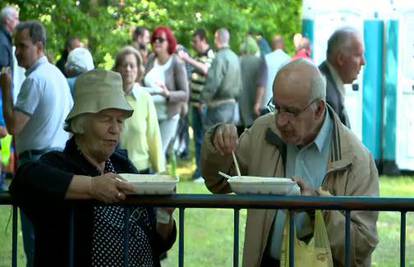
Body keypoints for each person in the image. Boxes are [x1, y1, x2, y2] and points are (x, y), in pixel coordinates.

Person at [201, 59, 379, 267]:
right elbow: (217, 182)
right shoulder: (263, 131)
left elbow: (361, 247)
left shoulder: (356, 159)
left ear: (319, 109)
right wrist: (218, 144)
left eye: (291, 112)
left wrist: (319, 209)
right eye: (277, 108)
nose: (281, 121)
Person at [10, 69, 177, 267]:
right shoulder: (59, 164)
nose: (115, 129)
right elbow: (24, 179)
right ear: (80, 124)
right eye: (106, 118)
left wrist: (165, 215)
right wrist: (92, 186)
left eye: (120, 120)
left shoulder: (124, 166)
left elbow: (158, 244)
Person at [0, 21, 73, 267]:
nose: (17, 52)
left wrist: (7, 89)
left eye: (23, 46)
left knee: (36, 241)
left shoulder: (35, 80)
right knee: (53, 239)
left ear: (39, 46)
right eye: (15, 47)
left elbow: (13, 126)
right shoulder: (57, 75)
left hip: (37, 165)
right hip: (58, 163)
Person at [114, 46, 165, 174]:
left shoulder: (145, 98)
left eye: (132, 65)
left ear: (138, 70)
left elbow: (153, 136)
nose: (128, 69)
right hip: (114, 167)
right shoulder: (110, 97)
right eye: (124, 65)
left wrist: (160, 171)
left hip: (141, 168)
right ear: (117, 69)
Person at [143, 26, 189, 155]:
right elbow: (143, 81)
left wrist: (168, 94)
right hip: (150, 114)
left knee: (158, 153)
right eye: (154, 39)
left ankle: (158, 175)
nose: (157, 42)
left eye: (161, 39)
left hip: (169, 116)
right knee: (148, 152)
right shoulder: (151, 59)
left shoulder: (176, 63)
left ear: (169, 42)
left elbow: (185, 94)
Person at [177, 28, 215, 180]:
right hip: (195, 104)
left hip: (203, 105)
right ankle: (199, 171)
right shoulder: (198, 56)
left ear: (204, 40)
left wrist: (187, 58)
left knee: (202, 139)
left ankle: (203, 173)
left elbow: (206, 70)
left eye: (195, 41)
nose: (193, 44)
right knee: (198, 139)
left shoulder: (211, 55)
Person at [319, 27, 365, 128]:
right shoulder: (326, 94)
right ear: (340, 58)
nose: (363, 62)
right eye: (358, 55)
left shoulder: (326, 81)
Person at [201, 28, 242, 130]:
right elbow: (240, 84)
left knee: (213, 140)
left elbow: (213, 82)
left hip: (218, 107)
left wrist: (203, 99)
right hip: (232, 105)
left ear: (217, 38)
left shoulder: (219, 57)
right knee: (227, 139)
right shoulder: (235, 57)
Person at [0, 5, 19, 190]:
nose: (18, 23)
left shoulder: (5, 40)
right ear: (8, 21)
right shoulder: (2, 40)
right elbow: (3, 72)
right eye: (16, 18)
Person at [238, 35, 267, 131]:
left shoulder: (238, 61)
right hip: (255, 106)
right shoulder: (260, 62)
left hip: (240, 107)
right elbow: (262, 84)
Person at [261, 35, 290, 115]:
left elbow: (262, 83)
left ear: (272, 45)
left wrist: (257, 102)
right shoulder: (288, 59)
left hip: (267, 103)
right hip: (283, 104)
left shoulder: (266, 58)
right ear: (283, 45)